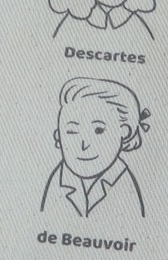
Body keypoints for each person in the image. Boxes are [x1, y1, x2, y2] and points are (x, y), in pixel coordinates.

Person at [40, 77, 149, 218]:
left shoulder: (124, 184)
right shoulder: (58, 179)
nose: (84, 144)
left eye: (99, 130)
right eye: (71, 131)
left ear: (124, 132)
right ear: (59, 135)